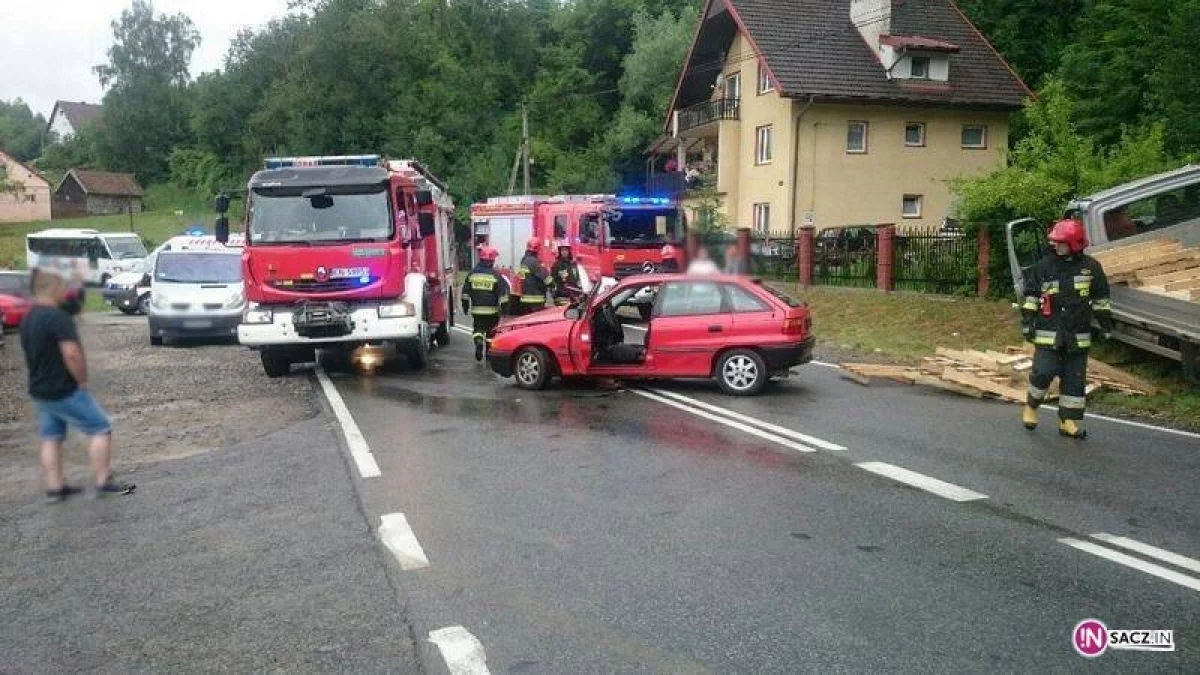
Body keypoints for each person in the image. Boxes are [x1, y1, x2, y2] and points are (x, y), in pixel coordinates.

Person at [20, 268, 135, 502]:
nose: (66, 291)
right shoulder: (58, 318)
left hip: (40, 389)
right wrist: (81, 379)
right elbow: (71, 353)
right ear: (51, 287)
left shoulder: (28, 318)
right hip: (64, 388)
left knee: (51, 436)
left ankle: (55, 487)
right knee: (100, 428)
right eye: (62, 286)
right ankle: (103, 481)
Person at [1020, 218, 1113, 439]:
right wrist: (1027, 322)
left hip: (1078, 333)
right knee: (1043, 372)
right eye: (1054, 242)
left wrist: (1105, 324)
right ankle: (1032, 406)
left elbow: (1101, 298)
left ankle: (1068, 421)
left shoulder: (1091, 268)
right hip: (1048, 331)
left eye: (1060, 242)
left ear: (1074, 244)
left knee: (1075, 379)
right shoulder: (1044, 266)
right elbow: (1031, 296)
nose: (1055, 245)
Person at [460, 246, 509, 362]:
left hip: (477, 311)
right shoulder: (496, 275)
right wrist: (505, 309)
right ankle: (488, 352)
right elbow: (503, 295)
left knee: (478, 330)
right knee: (491, 333)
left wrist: (465, 306)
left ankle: (478, 342)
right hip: (492, 312)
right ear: (491, 260)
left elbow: (465, 293)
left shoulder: (472, 274)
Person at [515, 237, 553, 315]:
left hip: (525, 299)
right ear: (538, 249)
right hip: (536, 300)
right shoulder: (534, 262)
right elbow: (546, 278)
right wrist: (553, 285)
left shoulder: (524, 260)